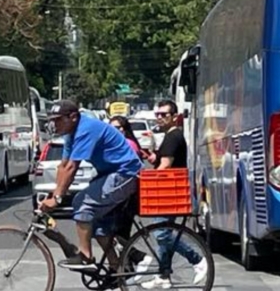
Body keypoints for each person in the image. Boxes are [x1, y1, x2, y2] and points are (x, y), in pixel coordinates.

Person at [39, 101, 143, 272]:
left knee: (81, 203)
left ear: (73, 117)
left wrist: (57, 199)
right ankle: (118, 269)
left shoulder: (86, 129)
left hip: (125, 174)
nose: (54, 124)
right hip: (109, 174)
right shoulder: (70, 134)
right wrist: (52, 195)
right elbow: (63, 166)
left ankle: (86, 257)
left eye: (58, 120)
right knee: (97, 225)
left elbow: (73, 167)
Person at [142, 100, 208, 288]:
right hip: (168, 191)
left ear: (174, 116)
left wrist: (148, 178)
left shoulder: (173, 136)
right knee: (164, 235)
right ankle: (164, 275)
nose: (160, 118)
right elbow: (163, 160)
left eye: (164, 115)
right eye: (158, 114)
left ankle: (197, 260)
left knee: (162, 234)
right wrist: (153, 157)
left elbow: (166, 166)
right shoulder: (170, 136)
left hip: (168, 192)